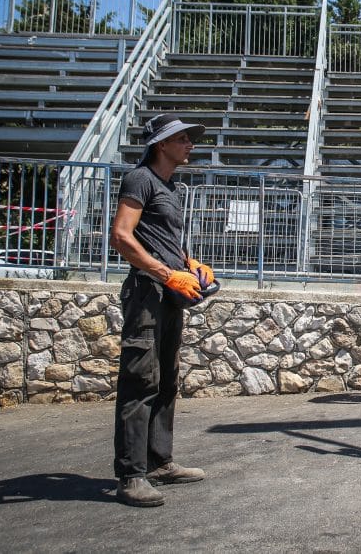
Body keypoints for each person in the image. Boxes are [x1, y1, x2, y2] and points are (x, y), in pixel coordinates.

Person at [108, 114, 215, 507]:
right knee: (140, 381)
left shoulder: (169, 185)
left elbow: (161, 239)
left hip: (169, 291)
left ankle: (158, 463)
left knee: (166, 379)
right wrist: (166, 274)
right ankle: (131, 476)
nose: (190, 144)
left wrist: (191, 264)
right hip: (147, 292)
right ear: (161, 144)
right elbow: (121, 235)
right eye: (183, 139)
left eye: (189, 138)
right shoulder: (140, 179)